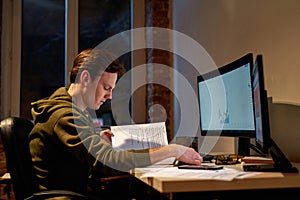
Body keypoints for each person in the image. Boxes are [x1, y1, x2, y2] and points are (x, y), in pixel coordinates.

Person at [29, 48, 202, 199]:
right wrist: (172, 150)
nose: (109, 96)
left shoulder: (73, 112)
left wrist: (98, 139)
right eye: (106, 88)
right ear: (85, 78)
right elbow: (109, 162)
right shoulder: (64, 116)